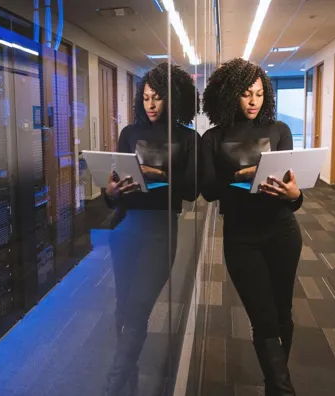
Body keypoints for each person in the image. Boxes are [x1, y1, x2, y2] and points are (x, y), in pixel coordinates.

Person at [201, 58, 303, 396]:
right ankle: (283, 388)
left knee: (282, 312)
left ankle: (276, 386)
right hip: (242, 237)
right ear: (230, 95)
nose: (254, 100)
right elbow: (210, 191)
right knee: (263, 318)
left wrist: (295, 193)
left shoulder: (279, 131)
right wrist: (242, 176)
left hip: (283, 231)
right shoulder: (213, 138)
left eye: (259, 93)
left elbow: (291, 195)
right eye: (246, 94)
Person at [102, 62, 200, 396]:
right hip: (127, 227)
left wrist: (157, 175)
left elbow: (190, 192)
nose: (151, 104)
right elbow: (114, 188)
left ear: (172, 99)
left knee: (139, 306)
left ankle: (113, 384)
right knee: (124, 306)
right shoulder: (129, 133)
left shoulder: (188, 138)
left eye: (157, 98)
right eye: (145, 98)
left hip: (161, 231)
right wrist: (110, 192)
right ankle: (127, 376)